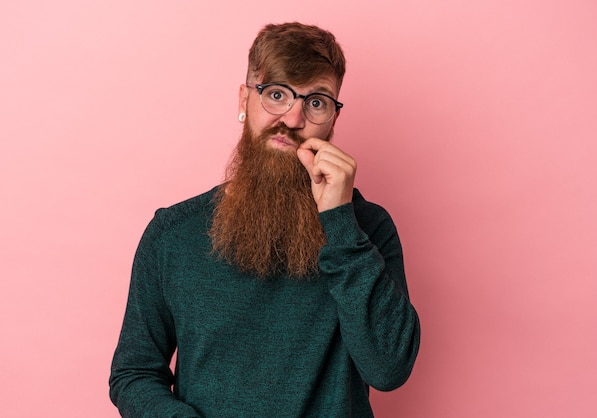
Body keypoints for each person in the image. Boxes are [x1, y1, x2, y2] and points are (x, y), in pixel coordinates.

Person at [109, 22, 420, 417]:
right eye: (276, 94)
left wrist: (340, 221)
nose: (292, 119)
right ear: (244, 100)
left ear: (334, 119)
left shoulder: (367, 230)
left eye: (317, 102)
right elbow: (133, 373)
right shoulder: (172, 235)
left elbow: (389, 369)